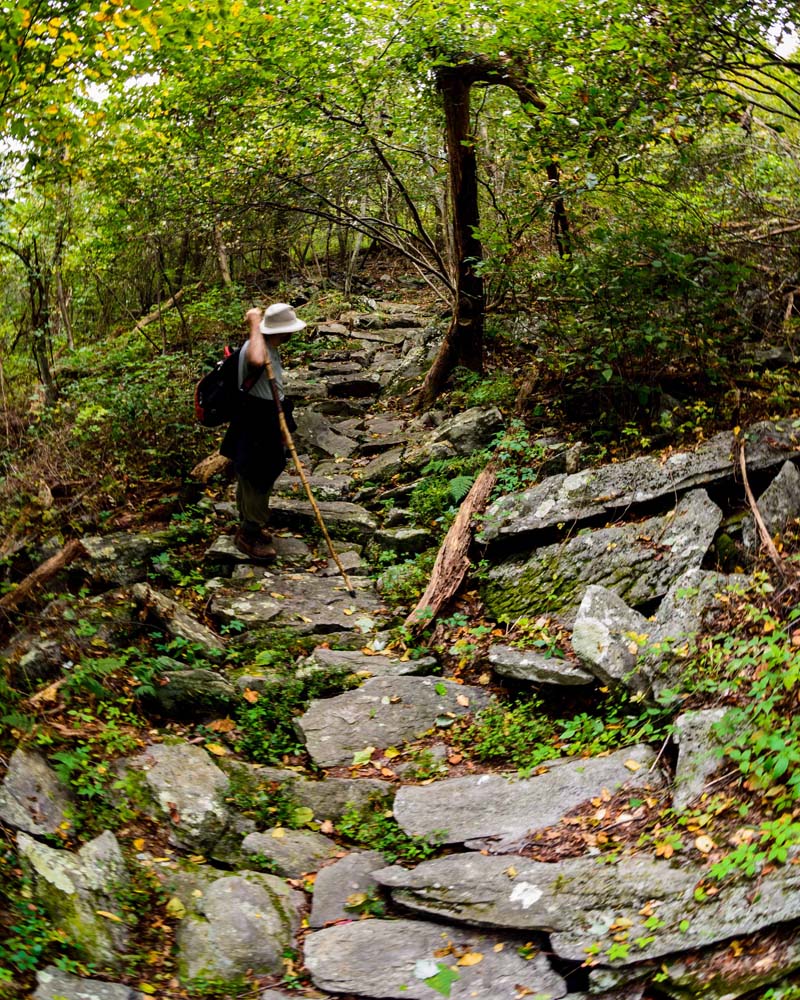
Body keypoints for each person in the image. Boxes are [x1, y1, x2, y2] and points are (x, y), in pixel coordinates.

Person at [220, 302, 304, 561]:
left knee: (254, 474)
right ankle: (249, 534)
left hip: (264, 418)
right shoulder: (255, 347)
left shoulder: (270, 346)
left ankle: (249, 523)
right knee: (258, 476)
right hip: (256, 422)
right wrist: (255, 322)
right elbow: (256, 359)